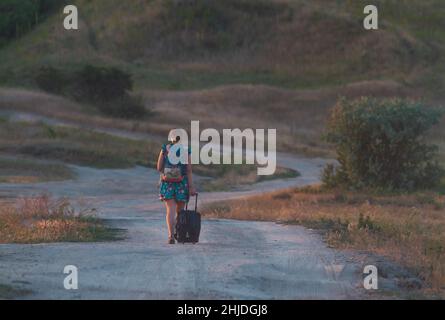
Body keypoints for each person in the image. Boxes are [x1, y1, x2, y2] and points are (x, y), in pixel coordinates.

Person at [157, 132, 197, 244]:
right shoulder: (186, 150)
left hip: (167, 182)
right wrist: (191, 187)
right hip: (182, 184)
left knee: (170, 210)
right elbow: (189, 170)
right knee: (179, 211)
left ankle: (170, 236)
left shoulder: (165, 148)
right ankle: (179, 232)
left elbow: (159, 167)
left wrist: (168, 171)